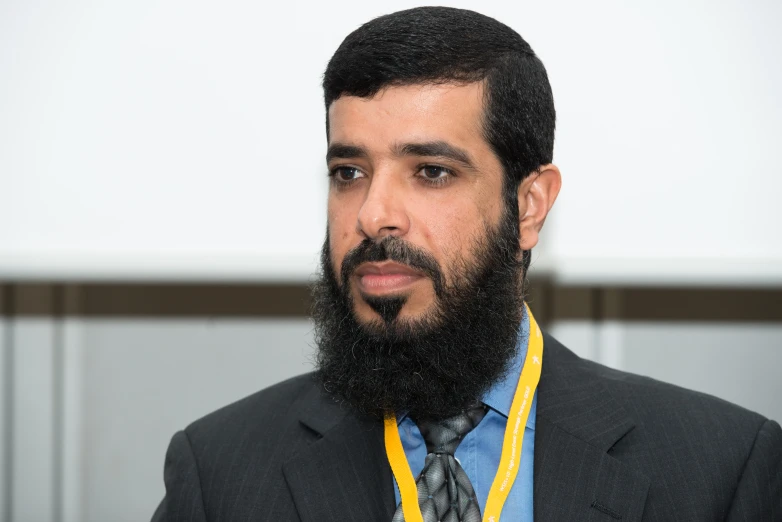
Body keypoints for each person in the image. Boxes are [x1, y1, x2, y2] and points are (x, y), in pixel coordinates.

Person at [151, 7, 781, 521]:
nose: (373, 214)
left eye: (431, 171)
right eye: (349, 172)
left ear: (528, 206)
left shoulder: (720, 469)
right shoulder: (221, 472)